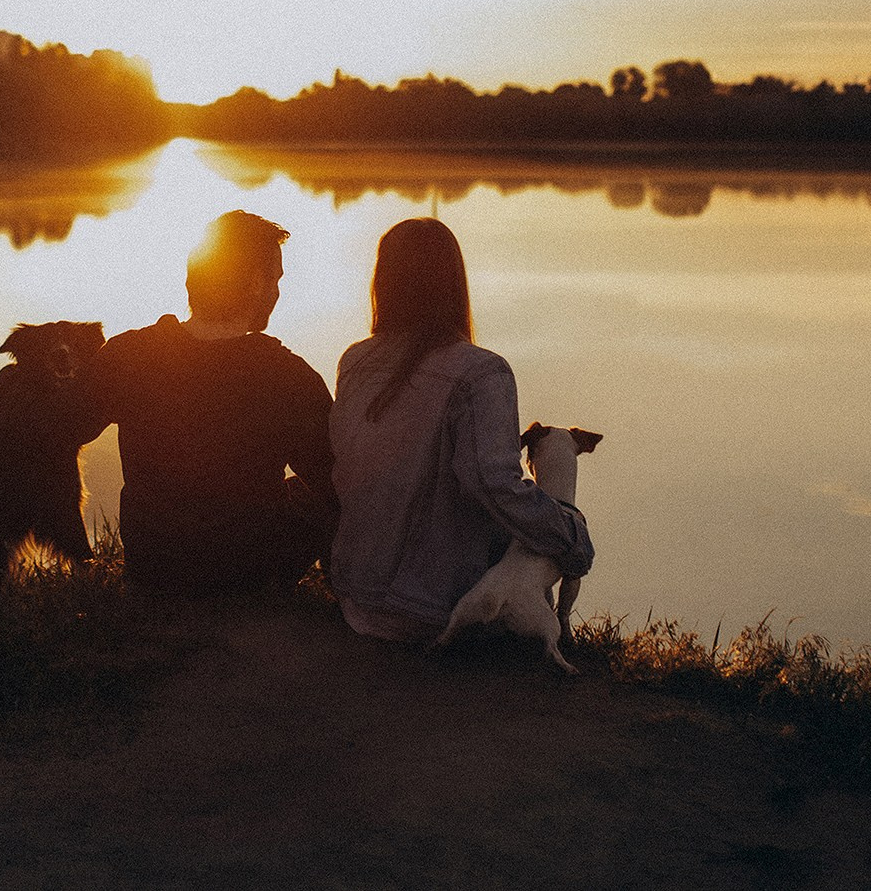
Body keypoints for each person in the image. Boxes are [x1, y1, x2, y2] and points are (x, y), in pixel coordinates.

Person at [327, 217, 595, 643]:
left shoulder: (355, 361)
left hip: (356, 598)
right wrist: (573, 537)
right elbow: (495, 486)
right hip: (434, 611)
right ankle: (545, 629)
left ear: (383, 283)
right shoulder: (481, 373)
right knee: (546, 520)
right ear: (454, 284)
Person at [84, 210, 337, 594]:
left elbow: (66, 428)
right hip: (248, 574)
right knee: (323, 492)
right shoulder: (288, 376)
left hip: (154, 569)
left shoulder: (128, 354)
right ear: (255, 283)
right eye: (275, 279)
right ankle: (347, 593)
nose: (277, 292)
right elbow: (336, 480)